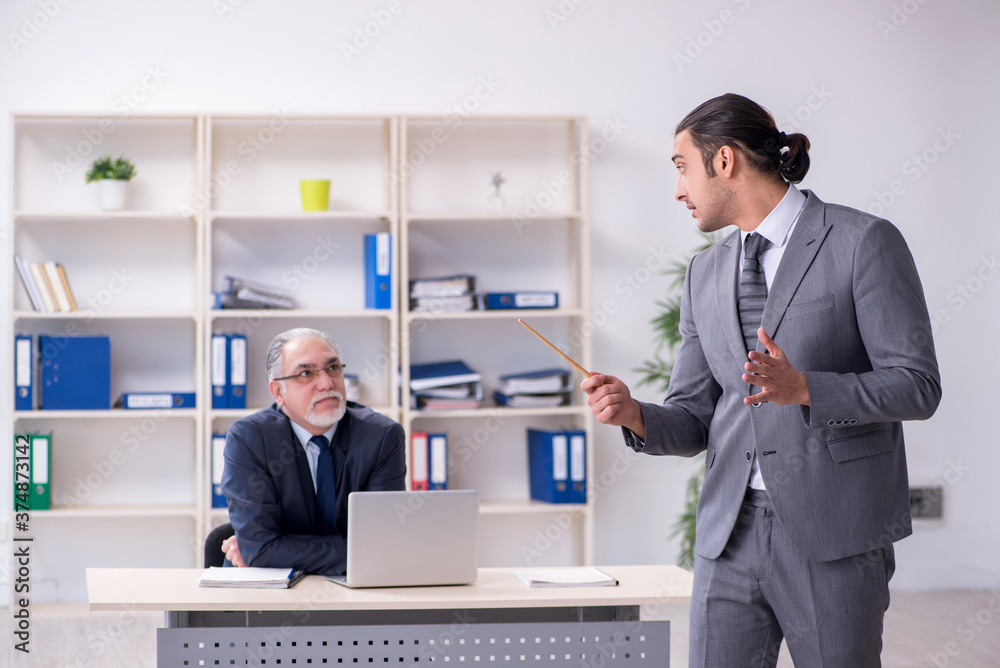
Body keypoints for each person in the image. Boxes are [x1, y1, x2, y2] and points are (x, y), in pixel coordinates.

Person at [582, 94, 941, 667]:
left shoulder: (862, 242)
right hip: (729, 537)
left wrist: (807, 390)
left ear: (724, 161)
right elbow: (698, 417)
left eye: (681, 168)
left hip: (835, 535)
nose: (678, 190)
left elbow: (917, 385)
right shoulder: (705, 271)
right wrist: (635, 415)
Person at [220, 327, 406, 575]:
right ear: (278, 392)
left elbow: (383, 546)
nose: (327, 383)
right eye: (306, 373)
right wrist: (262, 551)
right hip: (266, 591)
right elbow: (262, 550)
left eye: (333, 368)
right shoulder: (249, 438)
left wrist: (274, 551)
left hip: (357, 589)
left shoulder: (382, 437)